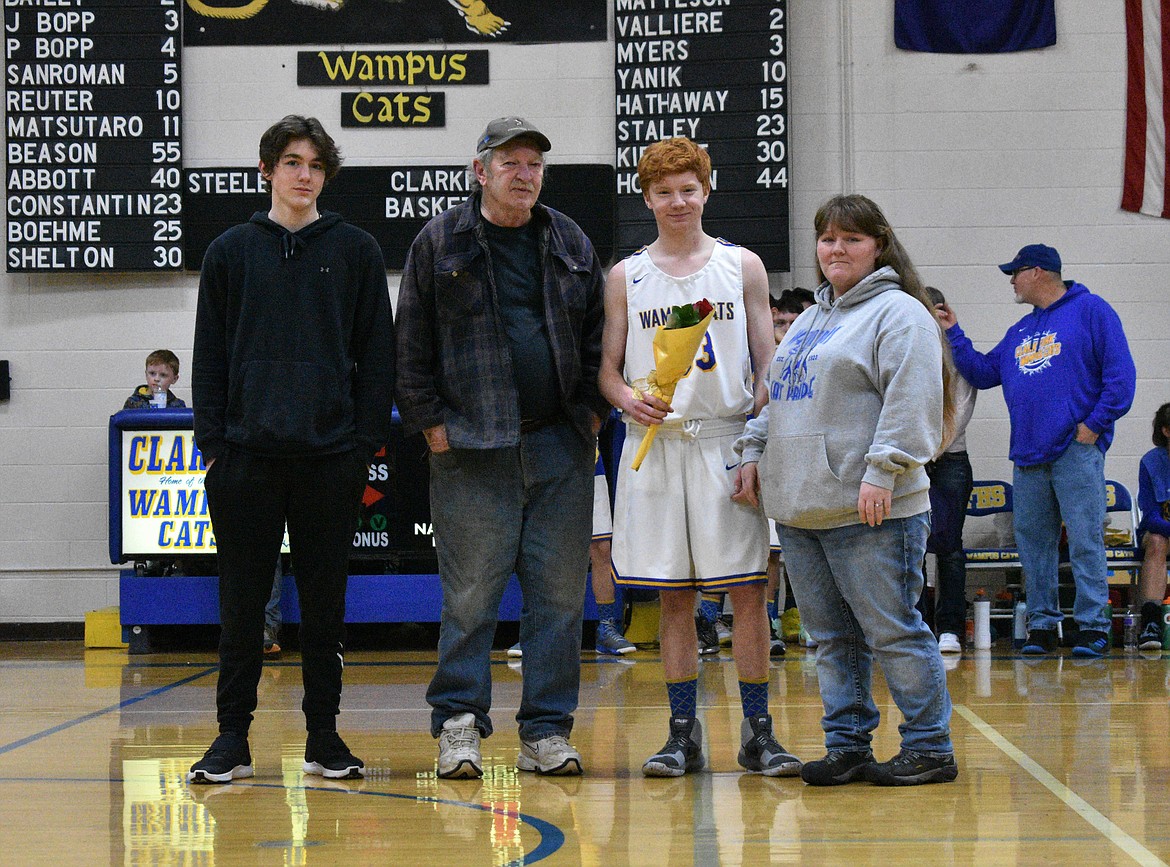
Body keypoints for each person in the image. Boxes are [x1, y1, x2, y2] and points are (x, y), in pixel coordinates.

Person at [395, 116, 607, 779]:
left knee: (560, 599)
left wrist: (591, 414)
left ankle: (546, 730)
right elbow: (410, 344)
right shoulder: (439, 241)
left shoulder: (569, 238)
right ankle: (459, 725)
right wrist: (432, 424)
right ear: (479, 171)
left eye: (535, 164)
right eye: (510, 162)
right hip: (470, 450)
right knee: (469, 597)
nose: (525, 174)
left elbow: (603, 334)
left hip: (559, 448)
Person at [188, 115, 395, 784]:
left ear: (325, 175)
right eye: (292, 162)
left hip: (330, 458)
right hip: (245, 460)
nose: (304, 174)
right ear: (267, 171)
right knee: (242, 607)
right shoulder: (229, 251)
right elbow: (210, 356)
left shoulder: (357, 249)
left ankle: (325, 738)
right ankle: (231, 740)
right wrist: (214, 445)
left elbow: (376, 356)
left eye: (314, 164)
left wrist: (361, 446)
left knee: (326, 607)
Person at [735, 193, 958, 787]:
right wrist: (752, 451)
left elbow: (915, 405)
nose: (837, 249)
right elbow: (778, 399)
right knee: (832, 639)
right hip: (802, 510)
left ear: (878, 246)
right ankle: (848, 743)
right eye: (828, 238)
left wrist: (882, 471)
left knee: (892, 631)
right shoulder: (809, 319)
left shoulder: (900, 314)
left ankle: (931, 747)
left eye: (851, 239)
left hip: (871, 509)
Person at [601, 137, 800, 778]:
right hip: (655, 446)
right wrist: (630, 399)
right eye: (664, 191)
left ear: (706, 191)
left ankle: (758, 733)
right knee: (675, 599)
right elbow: (607, 371)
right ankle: (681, 733)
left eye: (689, 189)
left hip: (724, 442)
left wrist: (756, 444)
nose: (677, 201)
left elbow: (769, 367)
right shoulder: (625, 276)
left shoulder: (741, 266)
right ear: (647, 197)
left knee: (747, 592)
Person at [938, 244, 1136, 658]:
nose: (1011, 280)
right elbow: (981, 371)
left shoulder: (1093, 311)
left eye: (1016, 272)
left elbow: (1121, 378)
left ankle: (1093, 627)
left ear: (1039, 272)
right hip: (1027, 454)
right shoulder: (1021, 332)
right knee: (1034, 546)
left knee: (1084, 541)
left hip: (1075, 451)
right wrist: (955, 331)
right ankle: (1043, 627)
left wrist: (1093, 426)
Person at [924, 287, 977, 655]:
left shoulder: (958, 355)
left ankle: (952, 627)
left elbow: (961, 409)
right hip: (908, 462)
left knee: (949, 547)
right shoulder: (902, 348)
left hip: (949, 460)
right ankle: (918, 625)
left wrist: (930, 449)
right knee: (909, 547)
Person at [1136, 403, 1170, 649]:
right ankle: (1151, 623)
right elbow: (1149, 516)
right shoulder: (1151, 462)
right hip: (1162, 533)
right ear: (1166, 431)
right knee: (1157, 541)